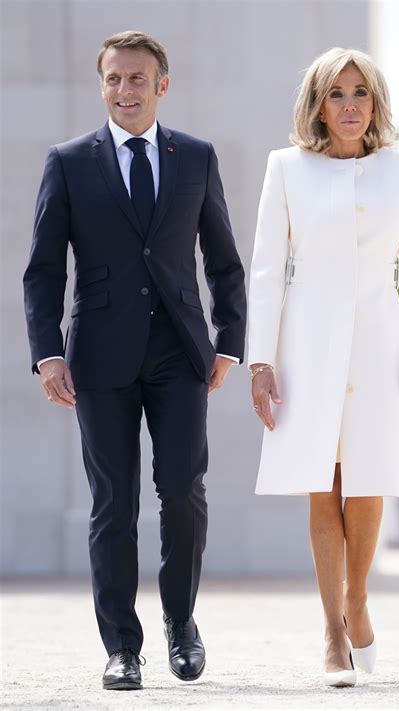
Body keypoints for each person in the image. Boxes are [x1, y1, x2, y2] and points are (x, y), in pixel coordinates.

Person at [23, 30, 246, 690]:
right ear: (102, 85)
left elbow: (224, 260)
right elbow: (41, 271)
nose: (125, 90)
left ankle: (181, 623)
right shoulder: (68, 162)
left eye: (137, 79)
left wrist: (229, 341)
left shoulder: (195, 158)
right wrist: (47, 354)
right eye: (114, 78)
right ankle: (122, 646)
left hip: (181, 353)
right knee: (112, 502)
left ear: (161, 86)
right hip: (98, 355)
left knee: (182, 489)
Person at [248, 47, 399, 688]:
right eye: (337, 93)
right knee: (322, 478)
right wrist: (261, 359)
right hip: (306, 339)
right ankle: (333, 629)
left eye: (361, 92)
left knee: (368, 477)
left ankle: (356, 597)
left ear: (376, 101)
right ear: (318, 103)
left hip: (378, 338)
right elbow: (269, 271)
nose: (351, 104)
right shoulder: (287, 169)